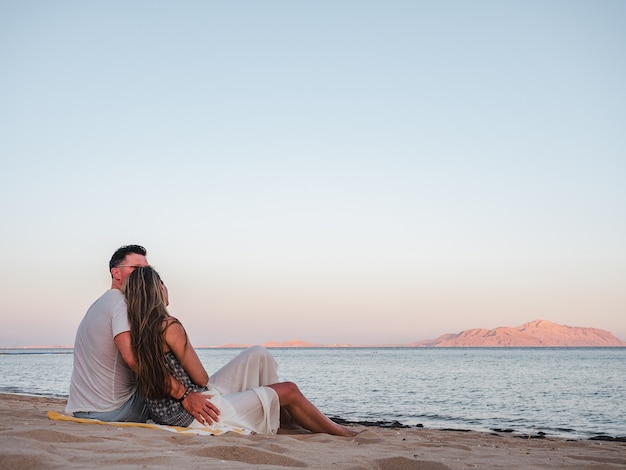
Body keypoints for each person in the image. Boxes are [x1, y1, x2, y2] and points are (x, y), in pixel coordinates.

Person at [123, 266, 355, 436]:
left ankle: (284, 421)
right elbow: (201, 378)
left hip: (174, 410)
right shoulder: (170, 326)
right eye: (162, 284)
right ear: (157, 290)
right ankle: (344, 434)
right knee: (290, 390)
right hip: (201, 414)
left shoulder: (134, 331)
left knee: (258, 353)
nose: (166, 288)